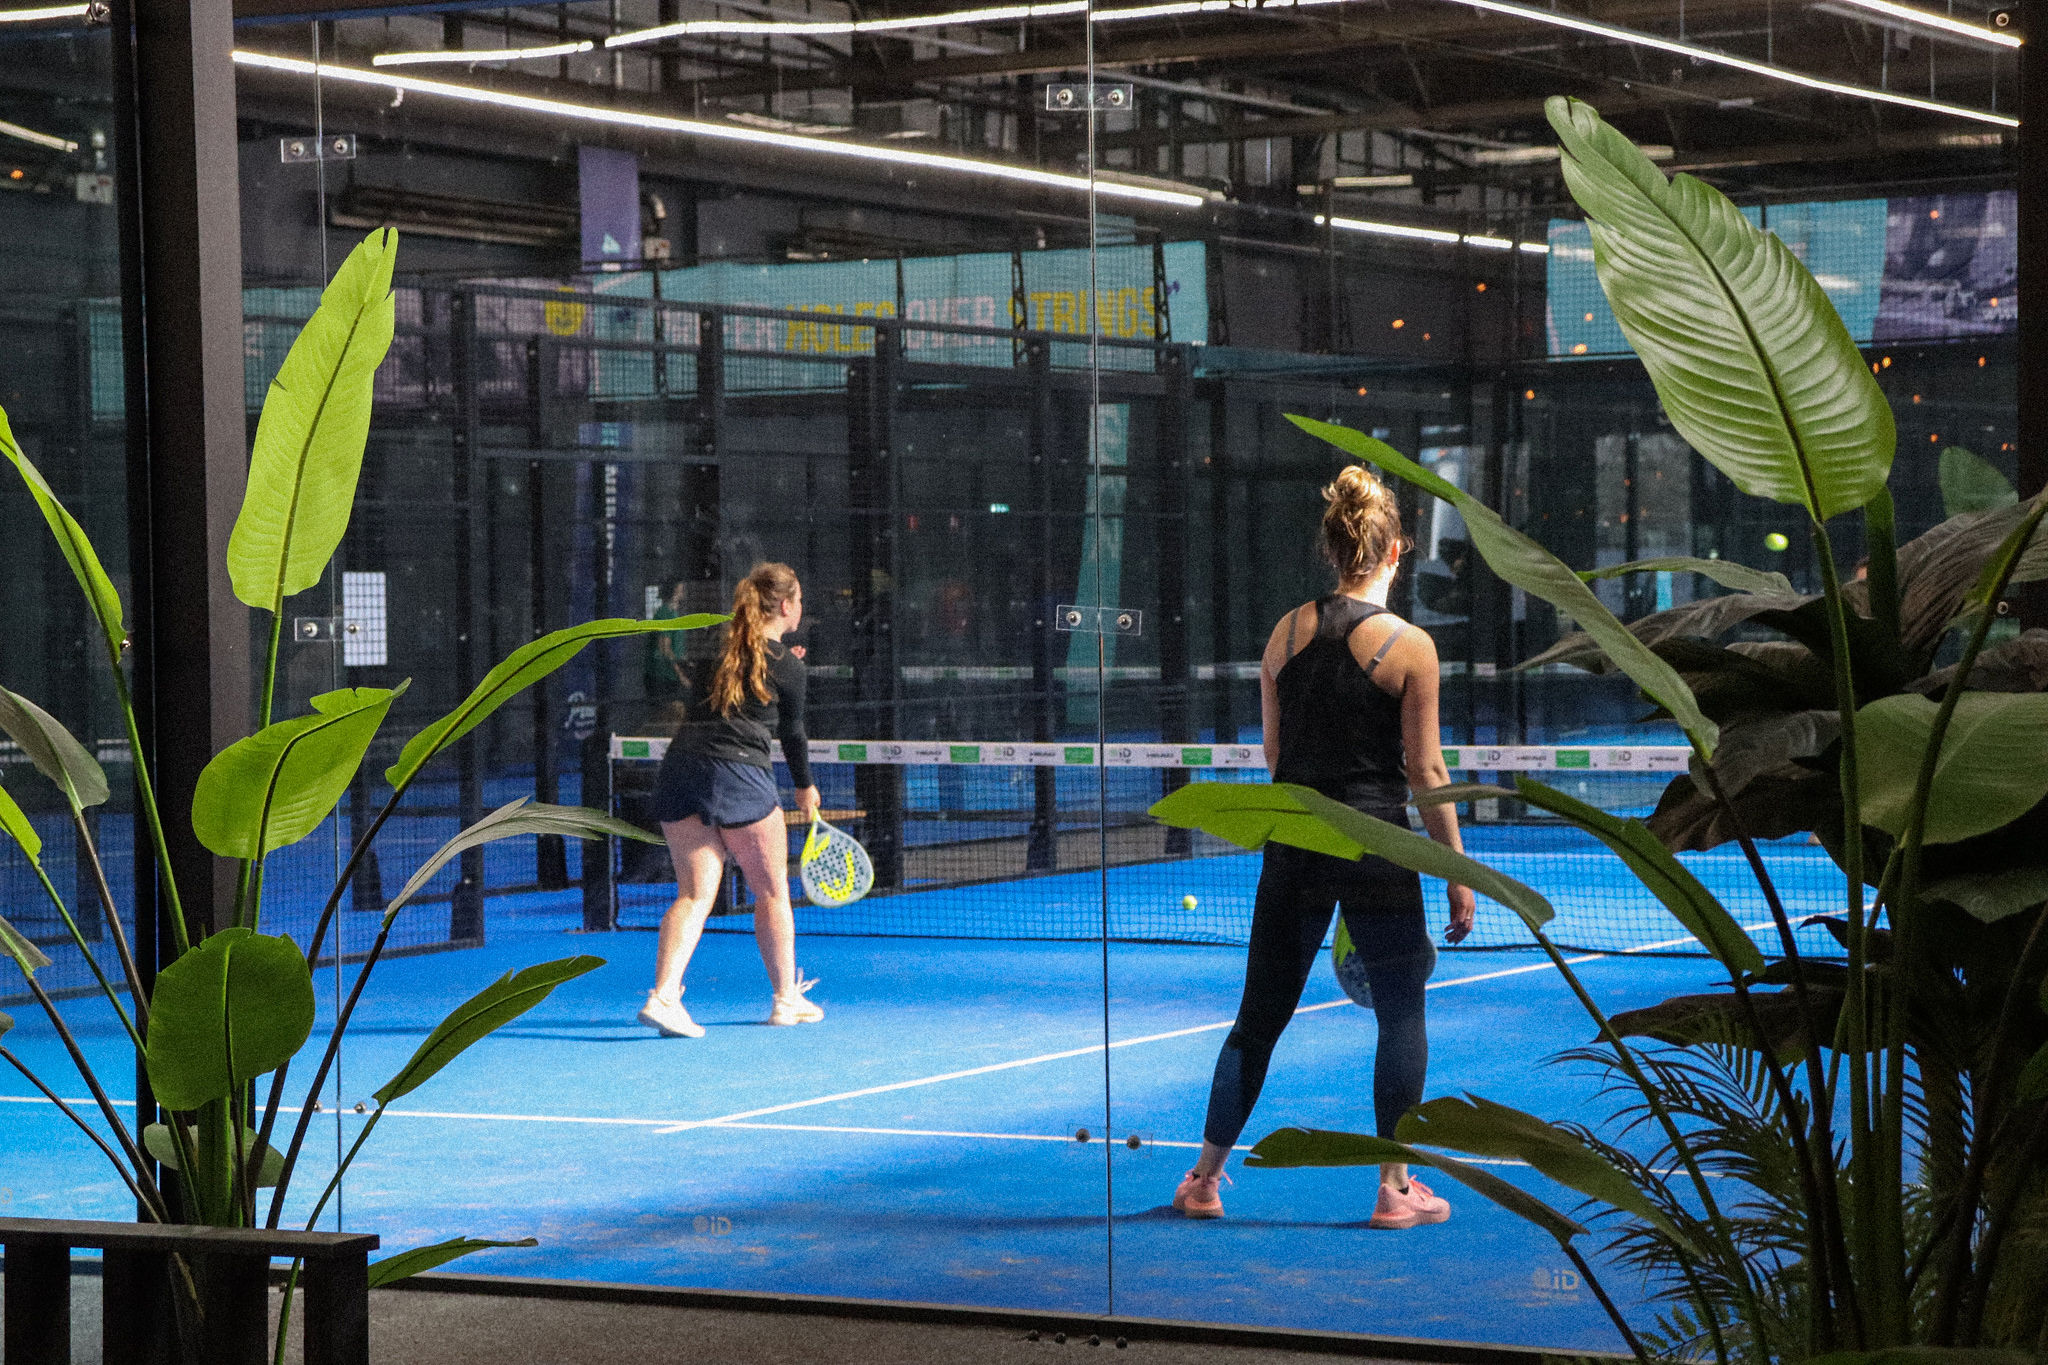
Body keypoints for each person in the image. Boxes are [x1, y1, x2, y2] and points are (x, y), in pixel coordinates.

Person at [1173, 465, 1476, 1228]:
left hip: (1294, 844)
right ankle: (1394, 1188)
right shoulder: (1412, 649)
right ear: (1398, 550)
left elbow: (1276, 755)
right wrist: (1457, 873)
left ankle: (1204, 1180)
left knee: (1258, 1018)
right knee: (1402, 1016)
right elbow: (1426, 769)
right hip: (1377, 844)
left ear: (1334, 546)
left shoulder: (1284, 633)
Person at [637, 562, 824, 1037]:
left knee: (695, 893)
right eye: (798, 599)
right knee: (772, 891)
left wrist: (783, 663)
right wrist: (805, 786)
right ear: (785, 605)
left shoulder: (720, 650)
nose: (800, 607)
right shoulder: (790, 667)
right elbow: (793, 733)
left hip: (681, 770)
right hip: (739, 773)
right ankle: (785, 1000)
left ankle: (663, 998)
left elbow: (742, 680)